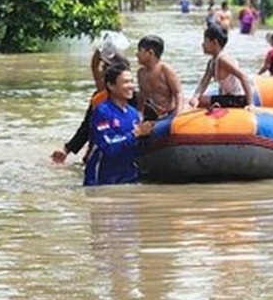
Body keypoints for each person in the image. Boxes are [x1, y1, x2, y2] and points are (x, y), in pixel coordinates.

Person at [52, 32, 130, 164]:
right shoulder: (99, 99)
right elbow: (86, 128)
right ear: (110, 84)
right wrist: (66, 149)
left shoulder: (133, 99)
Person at [84, 62, 153, 186]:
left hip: (128, 179)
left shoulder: (133, 113)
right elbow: (108, 148)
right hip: (101, 181)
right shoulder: (102, 111)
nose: (131, 86)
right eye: (125, 82)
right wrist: (135, 133)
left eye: (132, 81)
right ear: (111, 85)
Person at [189, 23, 254, 109]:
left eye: (205, 41)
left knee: (202, 101)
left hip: (238, 99)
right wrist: (195, 97)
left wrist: (250, 104)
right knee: (196, 100)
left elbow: (243, 77)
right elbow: (203, 83)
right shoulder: (211, 62)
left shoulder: (223, 60)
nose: (202, 44)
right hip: (228, 97)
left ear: (214, 43)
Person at [135, 35, 183, 121]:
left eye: (140, 51)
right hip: (151, 115)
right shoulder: (140, 73)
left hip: (168, 114)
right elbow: (142, 97)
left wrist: (178, 113)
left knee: (155, 130)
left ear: (150, 53)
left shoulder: (165, 69)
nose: (137, 54)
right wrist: (139, 114)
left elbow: (178, 92)